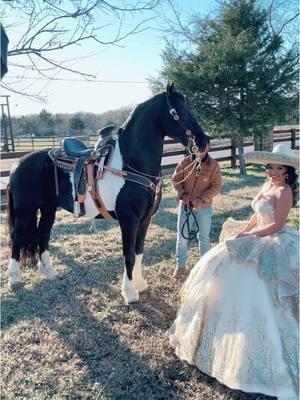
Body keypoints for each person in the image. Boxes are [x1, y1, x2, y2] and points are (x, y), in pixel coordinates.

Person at [168, 144, 299, 400]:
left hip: (272, 241)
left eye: (278, 168)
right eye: (270, 166)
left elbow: (276, 225)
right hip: (254, 234)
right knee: (222, 273)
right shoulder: (268, 185)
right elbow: (256, 214)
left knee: (263, 293)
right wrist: (243, 231)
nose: (272, 171)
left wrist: (250, 234)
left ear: (288, 171)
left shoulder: (285, 192)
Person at [172, 136, 222, 279]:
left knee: (204, 237)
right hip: (186, 206)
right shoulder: (184, 163)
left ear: (208, 148)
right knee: (182, 237)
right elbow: (175, 180)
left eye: (202, 147)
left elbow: (216, 186)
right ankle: (180, 266)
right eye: (196, 146)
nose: (199, 150)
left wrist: (202, 199)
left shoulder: (214, 166)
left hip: (204, 207)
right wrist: (183, 195)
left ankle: (204, 266)